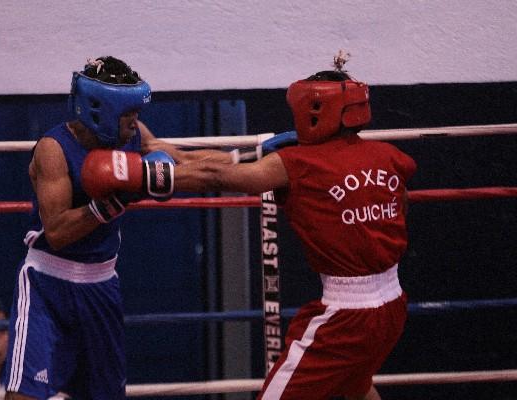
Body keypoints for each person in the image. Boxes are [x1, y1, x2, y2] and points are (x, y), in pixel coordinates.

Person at [94, 55, 417, 400]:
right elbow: (231, 162)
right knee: (355, 385)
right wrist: (161, 149)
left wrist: (142, 175)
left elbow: (221, 177)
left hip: (345, 316)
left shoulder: (298, 163)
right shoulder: (389, 157)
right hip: (392, 304)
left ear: (315, 108)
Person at [4, 56, 229, 400]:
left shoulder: (132, 136)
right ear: (100, 110)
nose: (135, 122)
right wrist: (112, 203)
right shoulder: (54, 149)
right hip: (47, 284)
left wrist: (249, 157)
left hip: (101, 283)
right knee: (23, 396)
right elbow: (58, 233)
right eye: (128, 114)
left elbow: (182, 160)